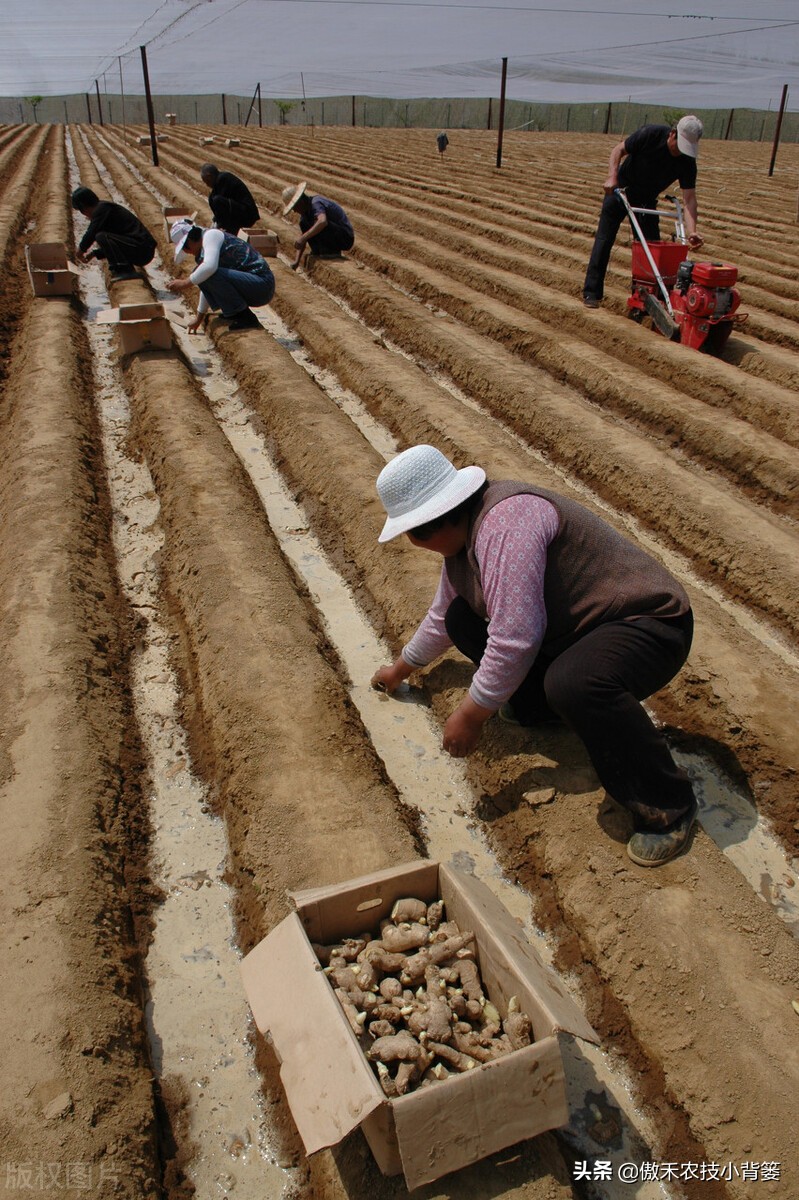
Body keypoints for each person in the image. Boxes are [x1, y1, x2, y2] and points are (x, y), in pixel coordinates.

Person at [371, 444, 699, 868]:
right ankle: (540, 709)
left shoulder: (506, 526)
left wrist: (471, 714)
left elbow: (516, 637)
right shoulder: (464, 540)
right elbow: (440, 617)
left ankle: (668, 807)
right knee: (461, 618)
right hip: (580, 627)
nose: (413, 543)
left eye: (412, 533)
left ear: (431, 525)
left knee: (575, 682)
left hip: (649, 623)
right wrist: (400, 669)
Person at [583, 114, 704, 309]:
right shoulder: (650, 134)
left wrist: (692, 231)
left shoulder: (687, 161)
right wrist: (612, 176)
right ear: (672, 134)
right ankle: (592, 293)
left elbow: (689, 199)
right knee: (604, 240)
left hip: (646, 199)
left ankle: (645, 300)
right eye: (680, 145)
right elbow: (618, 149)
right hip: (621, 190)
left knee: (651, 250)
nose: (682, 152)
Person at [166, 218, 274, 332]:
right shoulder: (203, 250)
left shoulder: (211, 236)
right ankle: (235, 312)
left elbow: (210, 268)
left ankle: (245, 317)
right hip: (252, 285)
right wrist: (199, 318)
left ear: (190, 240)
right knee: (201, 273)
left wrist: (184, 283)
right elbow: (206, 279)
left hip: (262, 285)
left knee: (206, 272)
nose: (187, 252)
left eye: (185, 248)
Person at [71, 186, 156, 282]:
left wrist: (81, 250)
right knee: (102, 235)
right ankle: (122, 267)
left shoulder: (101, 209)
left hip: (142, 250)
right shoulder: (103, 208)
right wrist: (95, 253)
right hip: (139, 248)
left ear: (83, 206)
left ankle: (125, 270)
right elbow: (116, 244)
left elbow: (91, 232)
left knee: (101, 236)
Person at [281, 182, 354, 270]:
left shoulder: (316, 203)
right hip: (334, 233)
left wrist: (303, 237)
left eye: (295, 207)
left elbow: (323, 221)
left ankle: (332, 251)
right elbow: (303, 239)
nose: (295, 211)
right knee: (304, 223)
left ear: (300, 201)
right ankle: (319, 251)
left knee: (319, 223)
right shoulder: (305, 216)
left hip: (345, 237)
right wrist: (296, 261)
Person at [200, 163, 259, 236]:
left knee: (217, 200)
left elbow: (220, 206)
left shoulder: (223, 179)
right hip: (239, 211)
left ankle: (226, 230)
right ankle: (224, 229)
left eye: (207, 181)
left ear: (210, 176)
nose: (207, 185)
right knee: (212, 198)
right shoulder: (220, 181)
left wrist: (218, 224)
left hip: (247, 214)